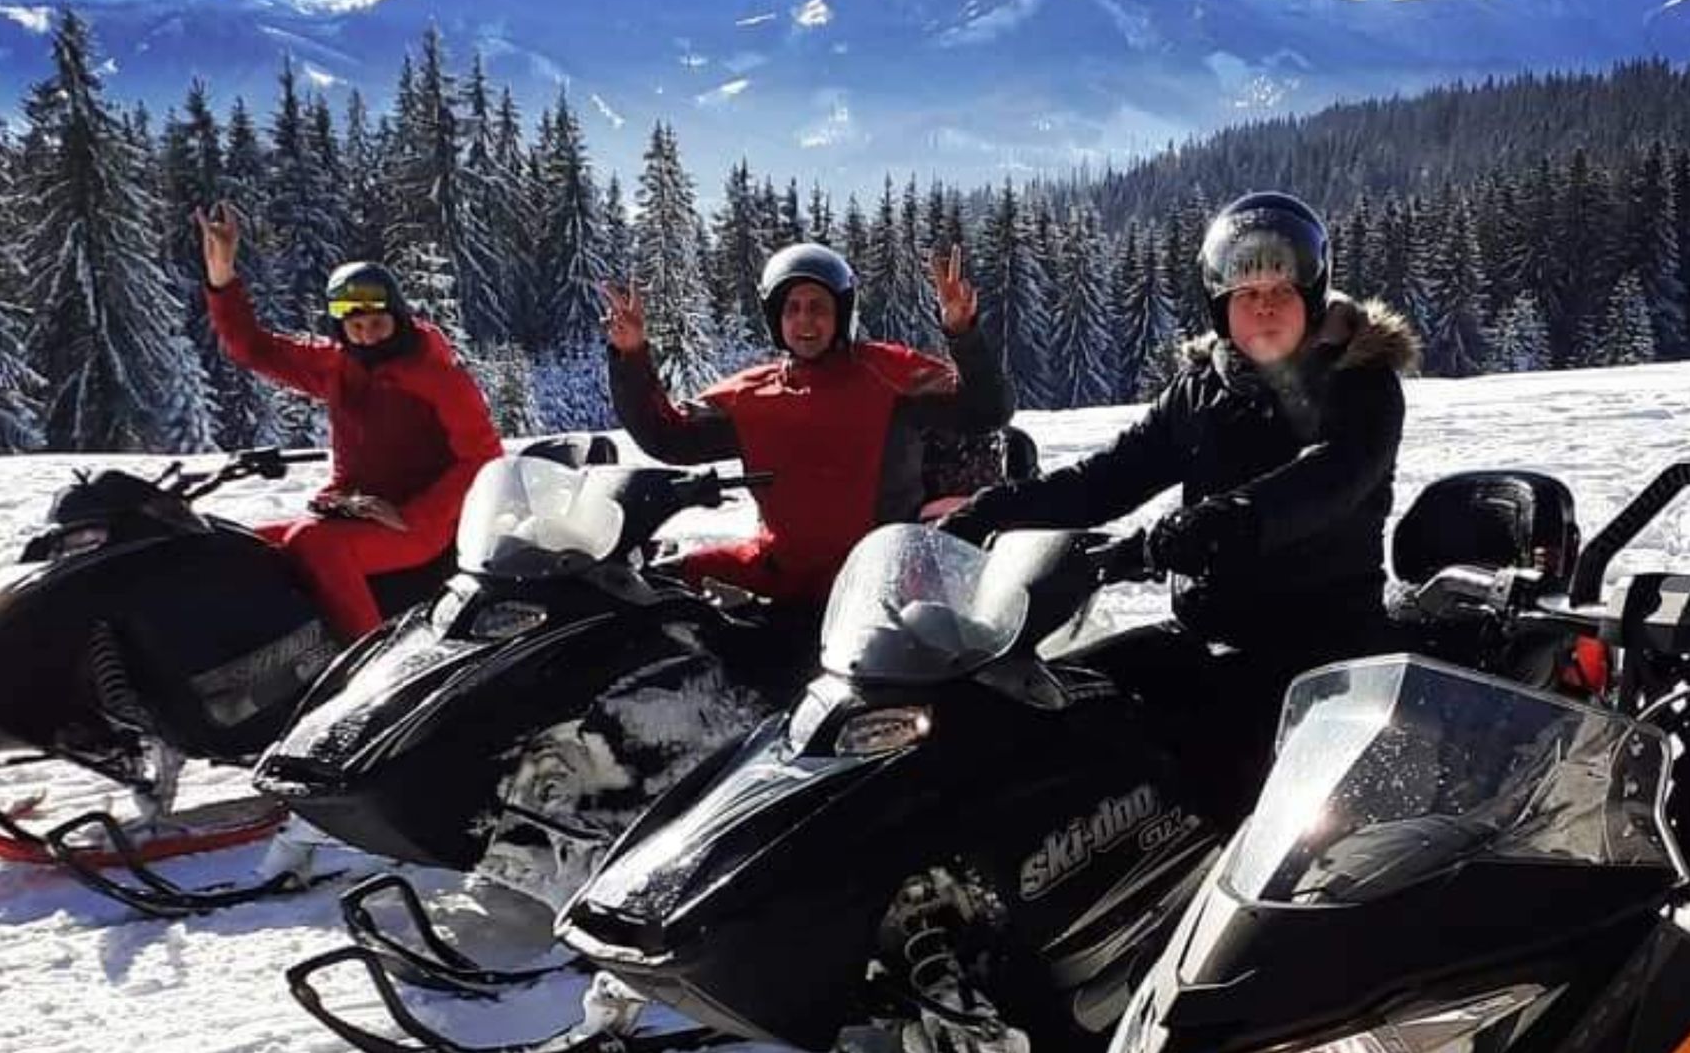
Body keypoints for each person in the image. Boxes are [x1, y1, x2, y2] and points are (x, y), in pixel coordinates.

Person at [940, 191, 1419, 807]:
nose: (1264, 308)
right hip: (1206, 632)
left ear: (1313, 294)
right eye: (1246, 295)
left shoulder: (1361, 384)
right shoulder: (1201, 388)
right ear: (1221, 307)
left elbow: (1330, 479)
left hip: (1323, 653)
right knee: (1059, 709)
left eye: (1280, 291)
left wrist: (1212, 525)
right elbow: (1108, 477)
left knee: (1223, 795)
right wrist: (991, 511)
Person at [602, 240, 1012, 607]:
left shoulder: (890, 375)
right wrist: (631, 357)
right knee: (650, 589)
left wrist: (963, 334)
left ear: (842, 314)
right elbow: (667, 436)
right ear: (776, 319)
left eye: (818, 307)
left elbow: (986, 411)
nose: (805, 321)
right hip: (780, 574)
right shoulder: (750, 395)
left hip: (882, 582)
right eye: (792, 309)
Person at [194, 206, 503, 639]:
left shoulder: (439, 378)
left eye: (377, 323)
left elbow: (483, 459)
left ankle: (367, 666)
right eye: (355, 327)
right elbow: (255, 349)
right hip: (354, 509)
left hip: (423, 525)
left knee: (312, 545)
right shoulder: (339, 366)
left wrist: (415, 516)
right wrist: (222, 276)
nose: (367, 335)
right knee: (240, 545)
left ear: (398, 317)